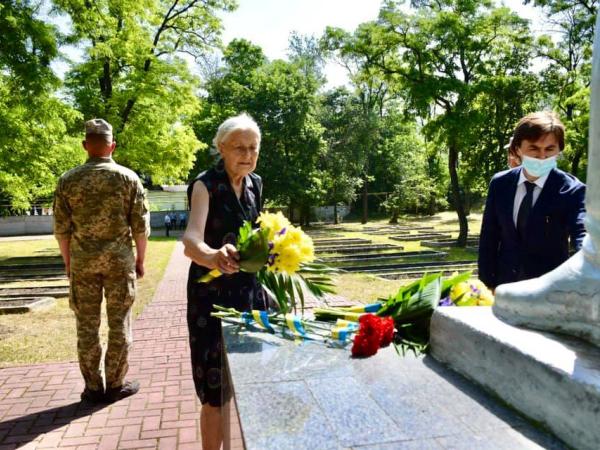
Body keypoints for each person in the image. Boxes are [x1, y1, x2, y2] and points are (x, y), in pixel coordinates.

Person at [182, 113, 267, 450]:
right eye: (239, 148)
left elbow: (256, 232)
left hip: (247, 295)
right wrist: (214, 255)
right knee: (215, 391)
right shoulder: (205, 185)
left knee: (248, 380)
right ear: (221, 147)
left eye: (253, 148)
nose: (247, 155)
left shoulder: (256, 183)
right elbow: (191, 241)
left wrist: (271, 248)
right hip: (211, 300)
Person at [53, 119, 150, 403]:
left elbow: (61, 230)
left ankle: (93, 387)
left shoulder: (67, 180)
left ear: (85, 145)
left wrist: (69, 263)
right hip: (119, 262)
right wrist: (140, 260)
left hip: (83, 263)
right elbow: (140, 228)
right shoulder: (128, 178)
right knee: (119, 322)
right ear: (112, 145)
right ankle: (116, 384)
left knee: (86, 325)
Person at [478, 111, 586, 290]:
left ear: (559, 149)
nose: (542, 156)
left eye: (549, 149)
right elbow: (489, 237)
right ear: (517, 148)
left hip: (549, 293)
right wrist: (487, 284)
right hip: (504, 288)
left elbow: (582, 232)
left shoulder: (572, 191)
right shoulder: (500, 184)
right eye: (534, 148)